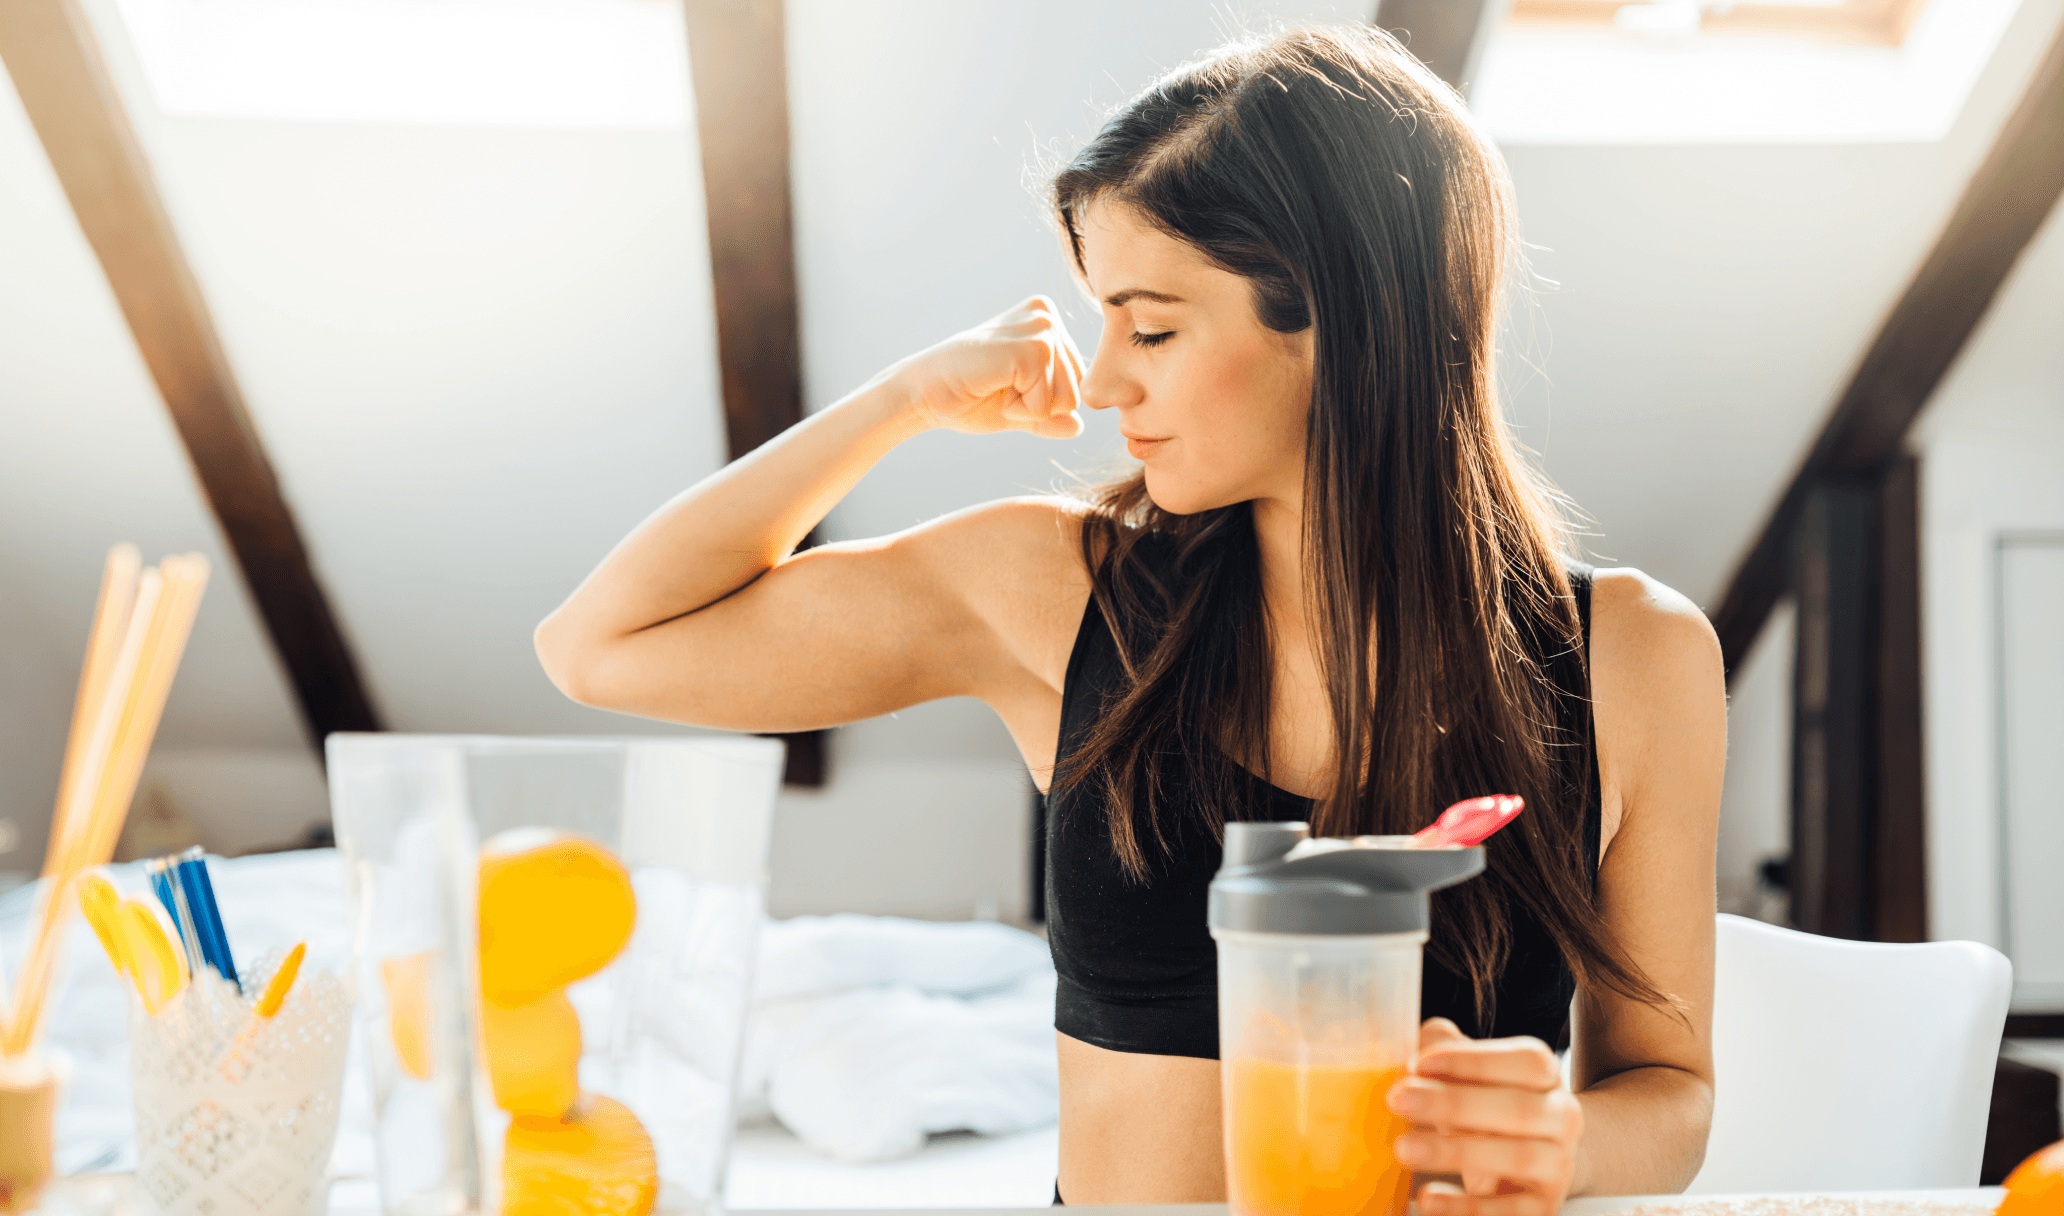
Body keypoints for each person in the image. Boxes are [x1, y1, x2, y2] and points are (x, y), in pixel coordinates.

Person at [535, 22, 1723, 1213]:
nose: (1102, 380)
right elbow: (603, 645)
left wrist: (1560, 1141)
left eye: (1151, 326)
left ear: (1343, 323)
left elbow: (1668, 1090)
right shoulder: (1051, 592)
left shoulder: (1635, 660)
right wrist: (904, 400)